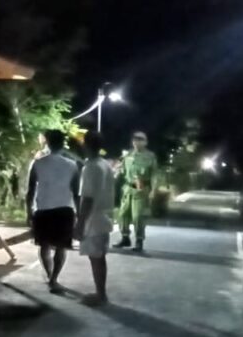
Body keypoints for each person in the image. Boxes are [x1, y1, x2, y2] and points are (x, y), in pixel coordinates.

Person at [26, 129, 79, 293]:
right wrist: (79, 213)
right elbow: (76, 192)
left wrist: (28, 212)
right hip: (65, 209)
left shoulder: (38, 164)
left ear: (47, 142)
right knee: (61, 247)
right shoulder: (72, 165)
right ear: (63, 144)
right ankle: (54, 278)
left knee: (44, 245)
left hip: (43, 209)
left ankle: (49, 275)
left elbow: (30, 191)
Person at [75, 131, 116, 305]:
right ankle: (101, 292)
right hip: (104, 217)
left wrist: (80, 223)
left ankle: (100, 295)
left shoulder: (90, 167)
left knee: (96, 258)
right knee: (99, 257)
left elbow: (87, 198)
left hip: (94, 218)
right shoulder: (105, 164)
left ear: (86, 145)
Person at [116, 131, 158, 251]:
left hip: (141, 190)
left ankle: (139, 240)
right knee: (123, 214)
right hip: (128, 189)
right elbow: (122, 171)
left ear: (145, 142)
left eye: (140, 139)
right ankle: (125, 237)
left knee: (138, 216)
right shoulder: (128, 155)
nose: (137, 141)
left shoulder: (150, 156)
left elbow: (154, 175)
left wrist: (153, 190)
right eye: (135, 139)